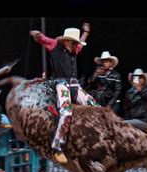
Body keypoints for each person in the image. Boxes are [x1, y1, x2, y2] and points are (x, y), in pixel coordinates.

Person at [30, 23, 98, 163]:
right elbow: (44, 40)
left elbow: (81, 44)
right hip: (61, 85)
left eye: (76, 44)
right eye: (74, 43)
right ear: (66, 41)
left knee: (94, 104)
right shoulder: (55, 45)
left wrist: (86, 33)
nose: (75, 46)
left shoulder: (74, 48)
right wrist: (37, 36)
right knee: (66, 112)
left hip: (74, 85)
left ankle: (95, 138)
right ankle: (57, 146)